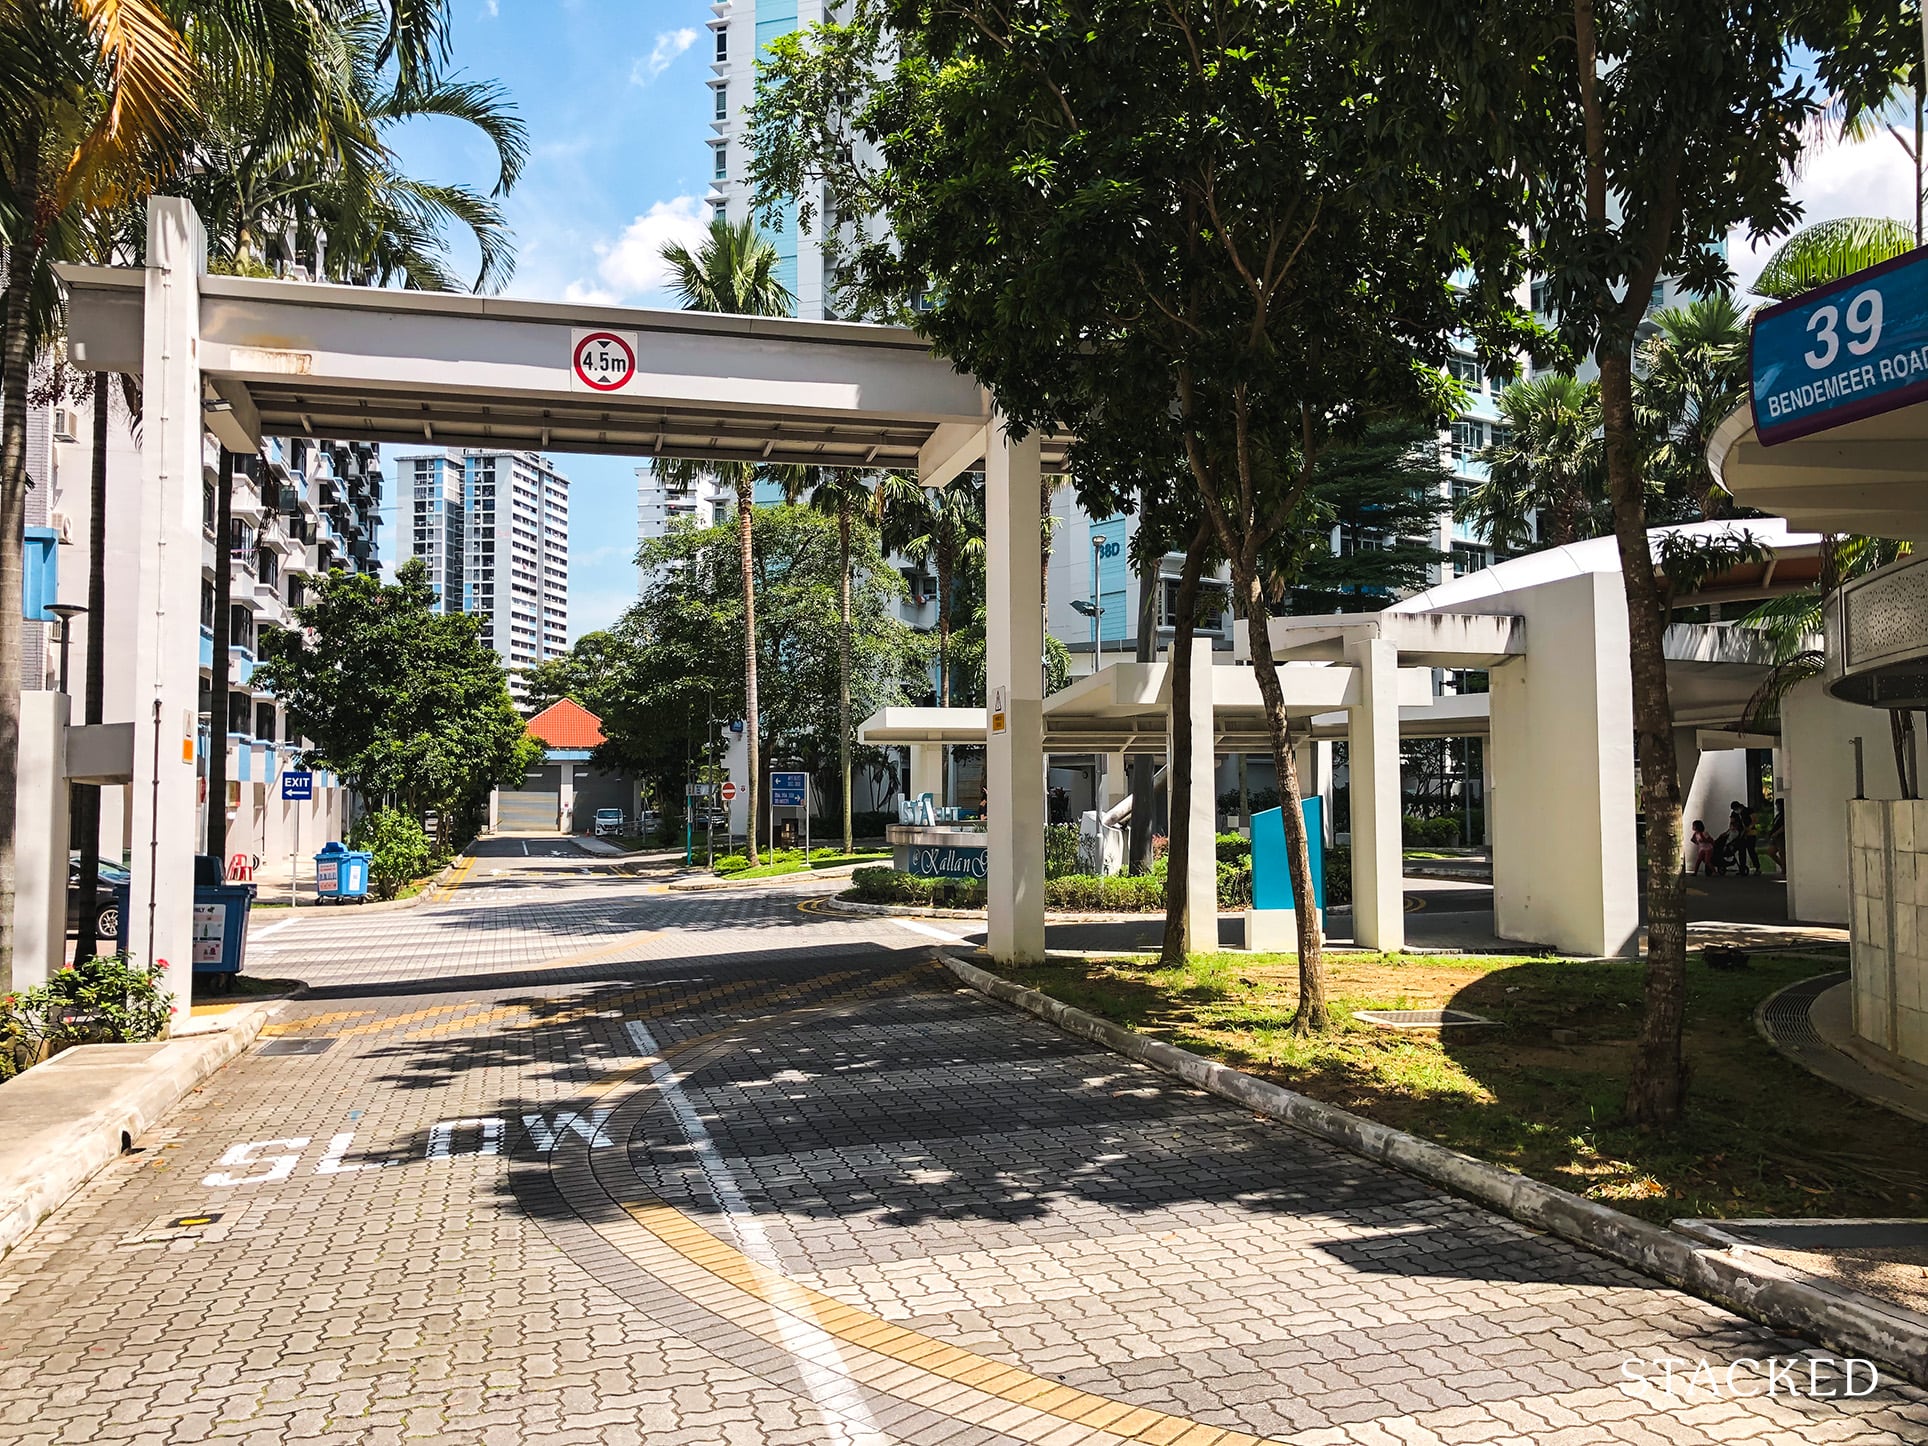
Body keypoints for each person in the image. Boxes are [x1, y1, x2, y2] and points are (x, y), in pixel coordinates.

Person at [1729, 800, 1759, 877]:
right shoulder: (1734, 814)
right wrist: (1732, 828)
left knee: (1751, 850)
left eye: (1736, 809)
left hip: (1750, 833)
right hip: (1741, 834)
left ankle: (1757, 867)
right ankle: (1742, 869)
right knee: (1741, 851)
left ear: (1740, 807)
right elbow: (1732, 822)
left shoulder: (1749, 810)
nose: (1735, 811)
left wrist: (1749, 828)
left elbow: (1755, 820)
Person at [1763, 799, 1786, 874]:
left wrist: (1776, 833)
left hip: (1780, 836)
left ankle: (1784, 869)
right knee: (1771, 852)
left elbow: (1783, 826)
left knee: (1782, 852)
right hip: (1775, 836)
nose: (1777, 807)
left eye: (1778, 805)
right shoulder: (1778, 815)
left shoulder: (1784, 815)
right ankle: (1783, 866)